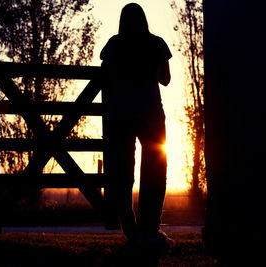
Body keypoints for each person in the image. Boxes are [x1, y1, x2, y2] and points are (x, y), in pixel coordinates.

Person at [101, 3, 174, 247]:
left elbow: (105, 76)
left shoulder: (113, 45)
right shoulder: (156, 44)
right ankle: (149, 228)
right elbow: (165, 79)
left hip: (120, 115)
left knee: (123, 171)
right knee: (154, 169)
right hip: (150, 113)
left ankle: (130, 227)